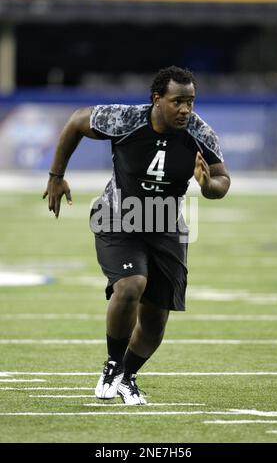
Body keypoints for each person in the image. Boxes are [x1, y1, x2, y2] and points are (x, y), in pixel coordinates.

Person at [43, 65, 230, 405]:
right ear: (157, 99)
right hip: (118, 217)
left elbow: (222, 181)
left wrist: (207, 186)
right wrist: (57, 175)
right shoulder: (126, 120)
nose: (186, 109)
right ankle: (113, 365)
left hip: (165, 225)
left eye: (190, 102)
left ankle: (128, 376)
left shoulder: (201, 134)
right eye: (178, 101)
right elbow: (75, 122)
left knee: (156, 320)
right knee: (131, 284)